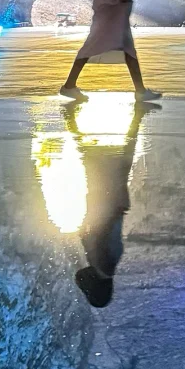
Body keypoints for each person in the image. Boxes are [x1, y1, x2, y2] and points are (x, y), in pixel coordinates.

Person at [68, 100, 144, 308]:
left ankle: (137, 116)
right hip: (107, 202)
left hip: (113, 203)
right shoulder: (103, 264)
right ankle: (71, 117)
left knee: (119, 158)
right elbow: (103, 230)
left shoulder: (106, 266)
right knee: (95, 158)